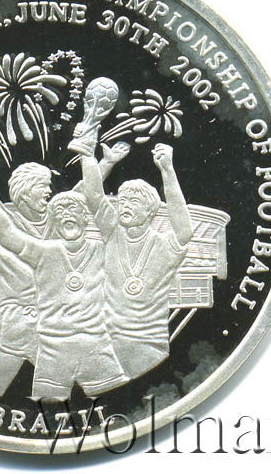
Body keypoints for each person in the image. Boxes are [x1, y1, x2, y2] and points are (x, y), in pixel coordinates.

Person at [0, 120, 128, 396]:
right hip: (12, 322)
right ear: (25, 190)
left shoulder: (56, 217)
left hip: (53, 324)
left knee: (88, 391)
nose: (50, 191)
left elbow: (85, 191)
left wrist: (106, 163)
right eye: (43, 186)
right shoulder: (7, 222)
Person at [80, 142, 193, 379]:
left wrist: (167, 170)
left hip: (149, 347)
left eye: (134, 202)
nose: (125, 206)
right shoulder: (111, 233)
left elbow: (184, 229)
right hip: (107, 345)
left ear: (150, 210)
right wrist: (87, 154)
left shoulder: (164, 246)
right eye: (122, 201)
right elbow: (93, 195)